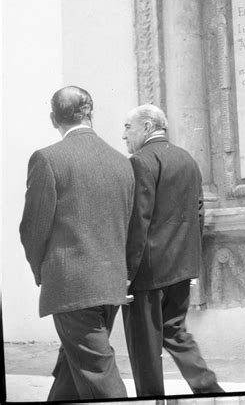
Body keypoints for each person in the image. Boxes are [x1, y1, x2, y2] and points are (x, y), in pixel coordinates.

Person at [19, 86, 135, 401]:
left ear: (53, 117)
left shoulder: (47, 159)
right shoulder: (122, 162)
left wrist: (41, 271)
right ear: (90, 113)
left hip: (72, 286)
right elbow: (129, 225)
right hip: (110, 286)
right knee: (73, 370)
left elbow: (32, 228)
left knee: (98, 375)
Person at [122, 104, 224, 397]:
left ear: (147, 127)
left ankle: (153, 401)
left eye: (128, 127)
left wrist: (127, 274)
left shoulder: (141, 161)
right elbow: (199, 213)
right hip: (181, 268)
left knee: (144, 347)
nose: (124, 134)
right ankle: (210, 391)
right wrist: (191, 260)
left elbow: (138, 222)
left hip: (148, 274)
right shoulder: (187, 159)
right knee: (176, 333)